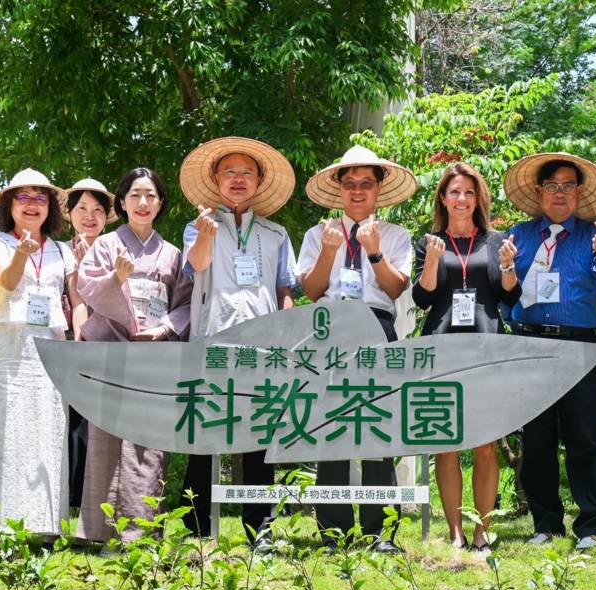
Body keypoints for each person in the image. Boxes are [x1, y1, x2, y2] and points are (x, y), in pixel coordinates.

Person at [176, 137, 297, 547]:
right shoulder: (198, 226)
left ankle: (259, 528)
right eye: (230, 172)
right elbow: (195, 266)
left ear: (260, 180)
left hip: (263, 346)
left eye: (247, 172)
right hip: (213, 339)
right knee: (204, 431)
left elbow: (285, 288)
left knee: (260, 435)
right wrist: (206, 233)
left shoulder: (276, 233)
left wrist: (285, 330)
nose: (238, 179)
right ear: (215, 178)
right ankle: (197, 528)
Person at [299, 145, 417, 553]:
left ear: (378, 189)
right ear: (339, 189)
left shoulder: (397, 235)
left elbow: (396, 287)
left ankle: (379, 532)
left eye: (366, 183)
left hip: (377, 325)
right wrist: (331, 251)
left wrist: (373, 250)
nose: (357, 191)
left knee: (378, 428)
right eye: (349, 184)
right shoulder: (318, 234)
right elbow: (311, 291)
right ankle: (334, 532)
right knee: (332, 428)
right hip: (331, 326)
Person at [501, 152, 596, 550]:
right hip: (531, 341)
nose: (560, 193)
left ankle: (592, 526)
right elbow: (506, 293)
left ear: (578, 192)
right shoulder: (519, 235)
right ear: (539, 191)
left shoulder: (593, 235)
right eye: (552, 186)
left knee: (584, 437)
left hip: (578, 343)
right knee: (537, 440)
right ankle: (546, 523)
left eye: (568, 186)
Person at [73, 168, 193, 544]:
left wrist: (162, 329)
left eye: (151, 196)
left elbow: (185, 302)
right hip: (111, 347)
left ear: (160, 203)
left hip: (153, 353)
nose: (143, 203)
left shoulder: (173, 254)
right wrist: (116, 281)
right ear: (122, 203)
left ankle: (141, 529)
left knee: (147, 440)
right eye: (135, 196)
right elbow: (87, 287)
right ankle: (99, 528)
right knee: (105, 434)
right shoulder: (106, 246)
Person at [412, 163, 520, 551]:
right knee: (446, 442)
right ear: (443, 197)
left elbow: (509, 296)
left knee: (486, 444)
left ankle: (482, 530)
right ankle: (455, 530)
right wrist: (431, 262)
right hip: (441, 348)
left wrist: (508, 265)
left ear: (479, 199)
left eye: (469, 193)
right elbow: (422, 299)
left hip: (486, 348)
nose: (462, 199)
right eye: (455, 192)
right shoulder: (430, 242)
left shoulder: (495, 241)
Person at [0, 169, 74, 537]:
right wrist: (20, 254)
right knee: (6, 432)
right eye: (23, 197)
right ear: (9, 205)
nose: (32, 205)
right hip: (9, 350)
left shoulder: (62, 250)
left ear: (51, 207)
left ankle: (45, 525)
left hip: (51, 348)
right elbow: (9, 282)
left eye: (39, 198)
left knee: (48, 430)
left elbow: (76, 301)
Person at [62, 177, 115, 512]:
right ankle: (69, 499)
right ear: (69, 214)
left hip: (105, 346)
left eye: (97, 210)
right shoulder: (56, 251)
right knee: (70, 423)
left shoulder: (116, 251)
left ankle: (94, 501)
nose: (89, 216)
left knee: (99, 424)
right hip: (68, 344)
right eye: (81, 208)